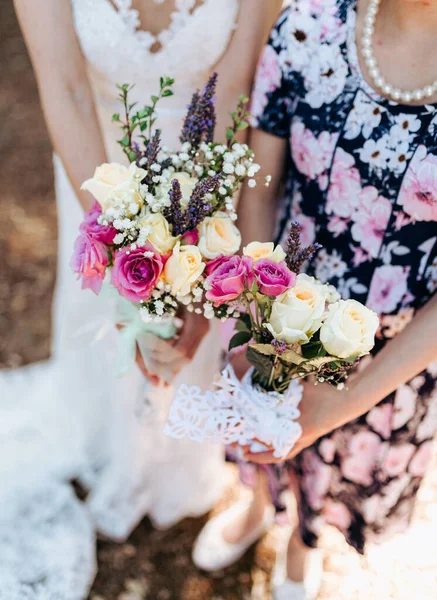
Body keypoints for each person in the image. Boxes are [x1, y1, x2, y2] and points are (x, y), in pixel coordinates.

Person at [1, 0, 282, 597]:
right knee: (107, 323)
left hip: (206, 176)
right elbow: (67, 91)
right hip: (95, 168)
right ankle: (106, 439)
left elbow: (232, 89)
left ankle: (181, 454)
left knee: (187, 341)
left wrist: (190, 254)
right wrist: (130, 255)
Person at [193, 1, 437, 598]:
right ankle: (256, 510)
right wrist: (255, 318)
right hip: (279, 307)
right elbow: (263, 184)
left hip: (396, 349)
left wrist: (343, 398)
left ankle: (303, 547)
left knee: (330, 458)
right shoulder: (310, 24)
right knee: (261, 436)